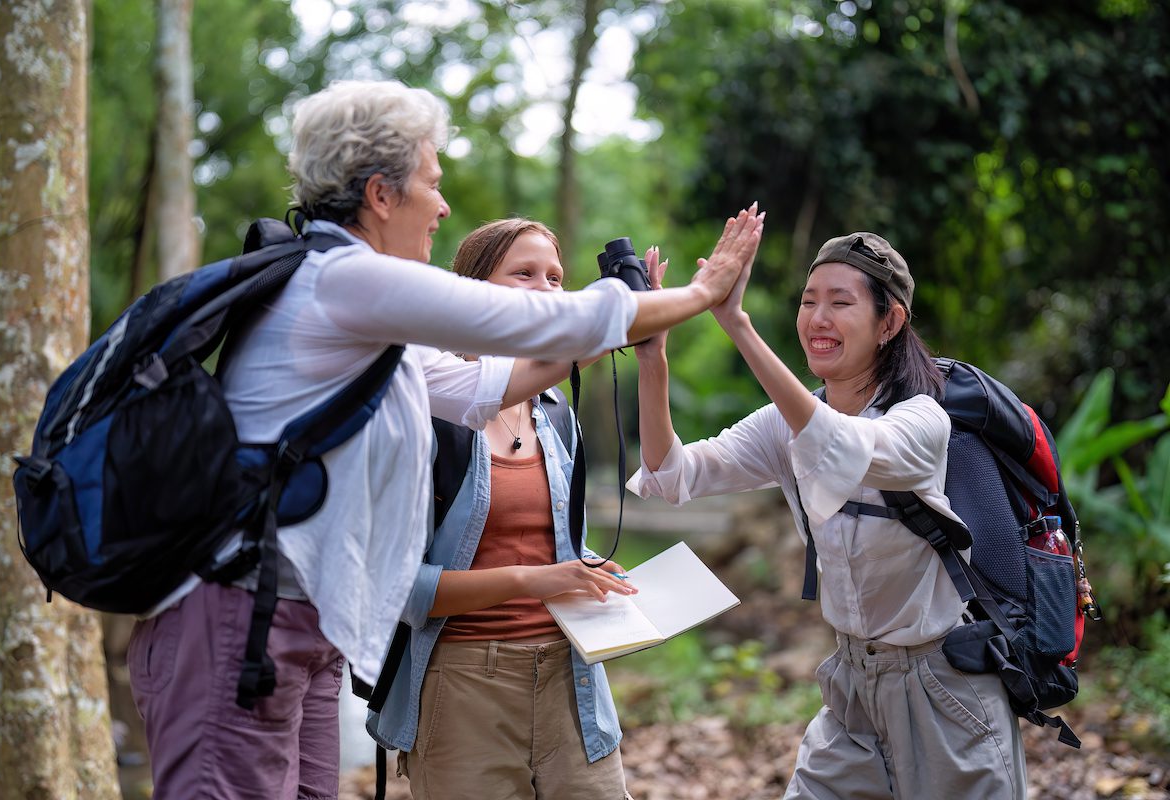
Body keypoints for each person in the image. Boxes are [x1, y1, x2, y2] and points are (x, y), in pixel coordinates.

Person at [124, 78, 763, 800]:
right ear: (380, 194)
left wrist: (646, 333)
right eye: (432, 182)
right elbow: (538, 328)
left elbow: (486, 382)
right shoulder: (344, 281)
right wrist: (703, 295)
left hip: (306, 626)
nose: (445, 204)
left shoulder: (374, 322)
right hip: (237, 617)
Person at [627, 232, 1025, 799]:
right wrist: (653, 357)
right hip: (851, 688)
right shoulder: (780, 425)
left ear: (889, 323)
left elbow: (837, 444)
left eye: (840, 303)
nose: (817, 317)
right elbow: (671, 476)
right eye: (808, 300)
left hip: (946, 690)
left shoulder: (921, 421)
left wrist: (737, 324)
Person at [367, 219, 658, 799]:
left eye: (555, 277)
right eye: (523, 274)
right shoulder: (424, 411)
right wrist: (533, 580)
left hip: (573, 681)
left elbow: (558, 549)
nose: (547, 289)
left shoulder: (556, 415)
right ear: (473, 294)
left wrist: (594, 571)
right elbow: (397, 590)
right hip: (463, 688)